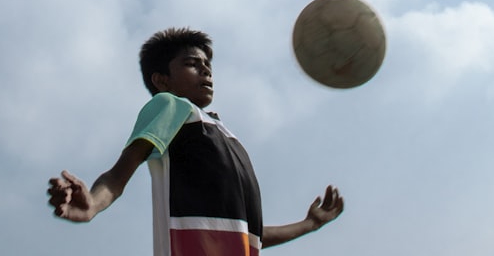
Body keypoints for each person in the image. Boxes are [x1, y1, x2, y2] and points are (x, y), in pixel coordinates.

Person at [47, 27, 345, 254]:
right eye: (192, 63)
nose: (205, 69)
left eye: (208, 64)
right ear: (161, 80)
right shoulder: (171, 106)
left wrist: (311, 224)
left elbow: (248, 236)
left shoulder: (226, 136)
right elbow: (118, 175)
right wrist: (93, 206)